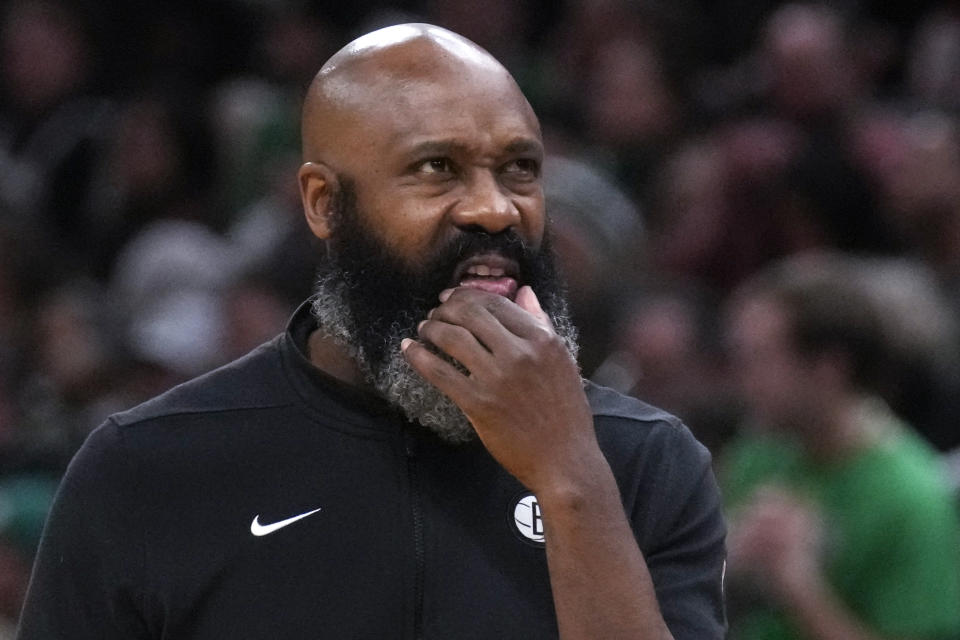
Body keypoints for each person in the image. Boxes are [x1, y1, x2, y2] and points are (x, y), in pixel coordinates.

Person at [17, 24, 726, 639]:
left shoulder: (643, 464)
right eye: (437, 169)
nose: (494, 210)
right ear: (325, 204)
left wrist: (570, 475)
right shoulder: (148, 468)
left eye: (519, 170)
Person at [721, 253, 960, 640]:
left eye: (762, 358)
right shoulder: (760, 453)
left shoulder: (913, 500)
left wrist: (798, 586)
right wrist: (727, 556)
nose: (744, 380)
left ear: (830, 368)